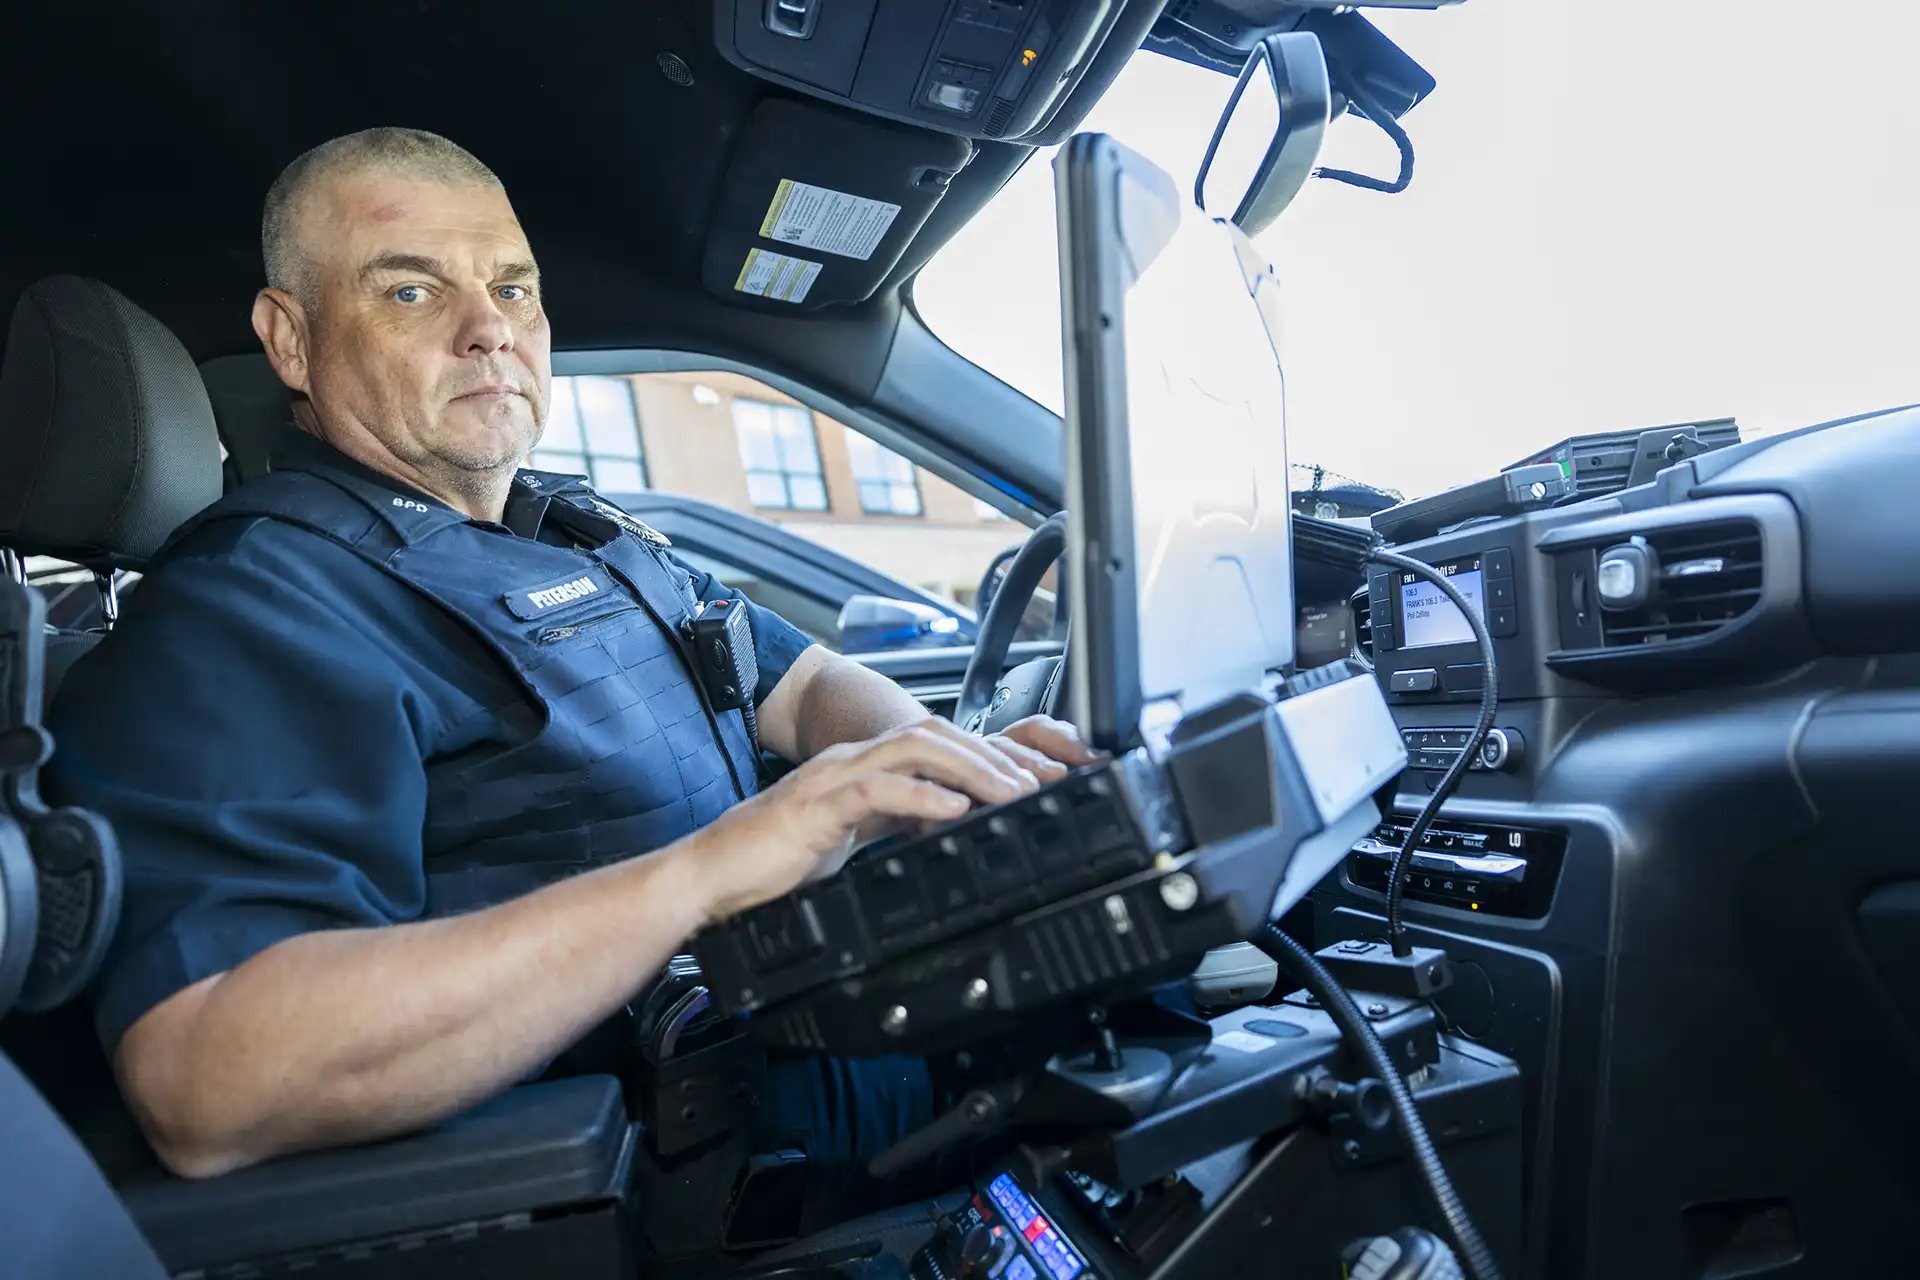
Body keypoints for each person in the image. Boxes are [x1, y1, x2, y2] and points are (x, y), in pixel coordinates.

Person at [44, 128, 1096, 1207]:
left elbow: (798, 680)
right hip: (676, 1192)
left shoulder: (580, 532)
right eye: (410, 293)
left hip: (830, 1056)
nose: (490, 328)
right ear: (292, 340)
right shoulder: (249, 605)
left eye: (514, 287)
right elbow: (209, 1078)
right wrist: (706, 875)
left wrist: (943, 774)